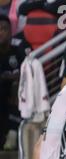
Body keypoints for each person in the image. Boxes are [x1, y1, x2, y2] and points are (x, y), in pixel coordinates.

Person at [0, 14, 25, 150]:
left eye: (4, 29)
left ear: (10, 32)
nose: (0, 33)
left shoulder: (18, 50)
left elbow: (26, 72)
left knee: (16, 87)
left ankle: (12, 134)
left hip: (16, 95)